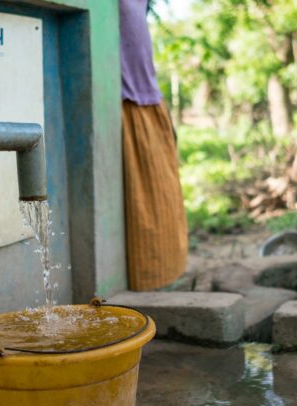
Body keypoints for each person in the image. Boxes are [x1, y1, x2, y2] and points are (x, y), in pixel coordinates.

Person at [118, 0, 189, 290]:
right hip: (123, 100)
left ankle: (160, 287)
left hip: (146, 98)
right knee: (140, 217)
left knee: (160, 210)